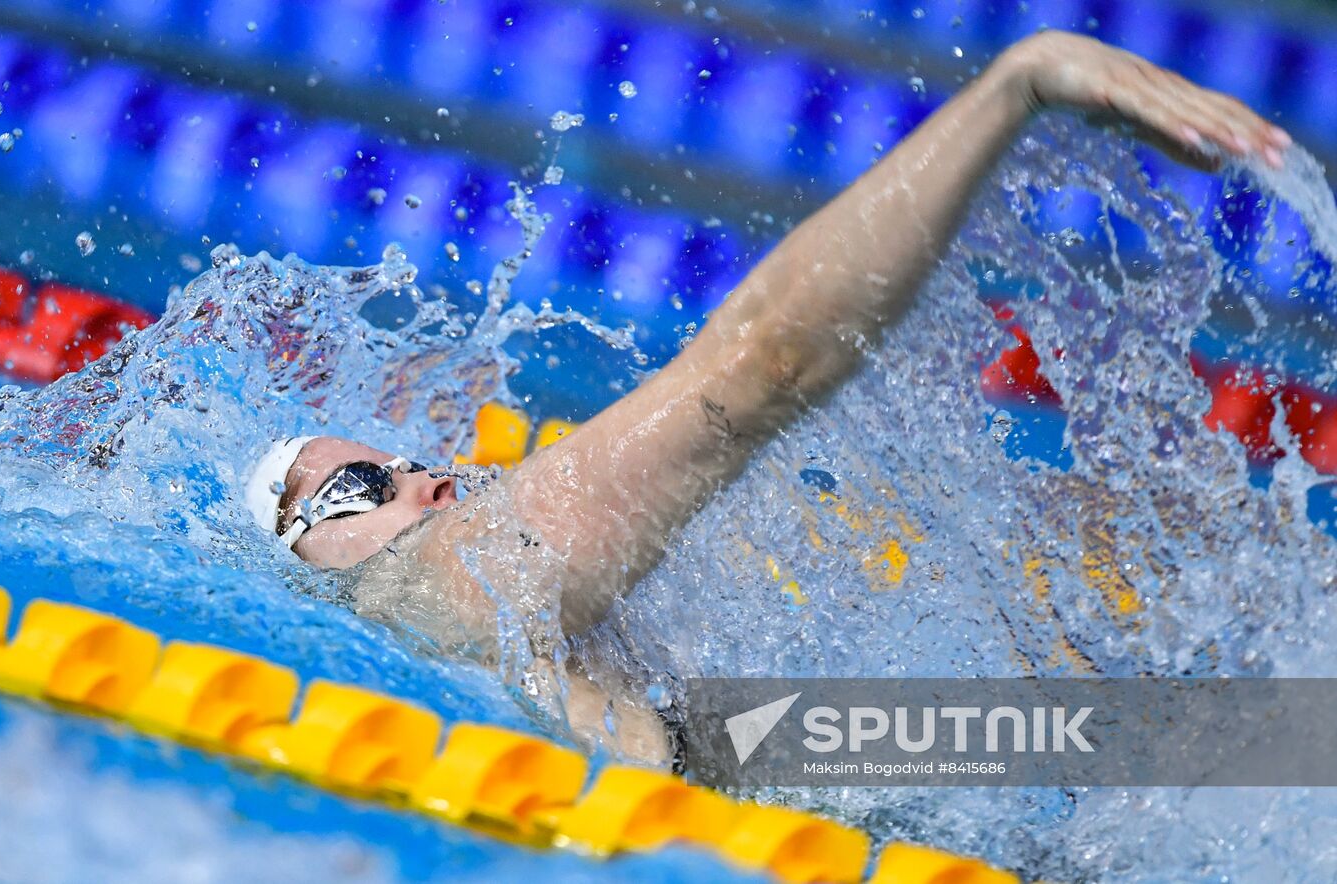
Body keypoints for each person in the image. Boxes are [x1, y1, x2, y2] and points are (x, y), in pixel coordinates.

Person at [243, 31, 1290, 767]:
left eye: (408, 457)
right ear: (292, 549)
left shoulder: (508, 640)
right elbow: (763, 365)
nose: (423, 477)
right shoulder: (446, 585)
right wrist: (1017, 83)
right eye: (358, 484)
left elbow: (980, 744)